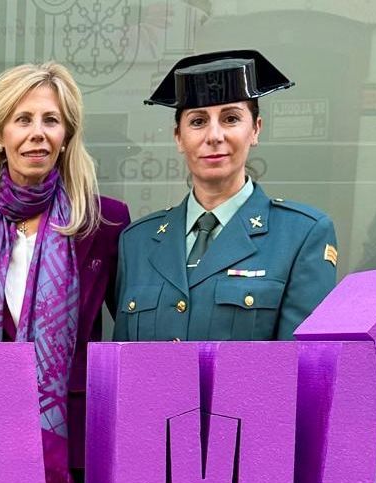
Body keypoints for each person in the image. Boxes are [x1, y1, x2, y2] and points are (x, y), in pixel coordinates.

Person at [0, 62, 129, 483]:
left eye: (50, 120)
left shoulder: (105, 221)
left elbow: (128, 337)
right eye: (22, 119)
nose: (37, 134)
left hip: (69, 443)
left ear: (67, 134)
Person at [112, 50, 338, 341]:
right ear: (178, 137)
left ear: (256, 130)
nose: (214, 135)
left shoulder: (301, 235)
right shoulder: (137, 242)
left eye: (231, 118)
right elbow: (123, 366)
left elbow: (300, 367)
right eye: (197, 121)